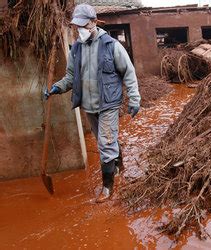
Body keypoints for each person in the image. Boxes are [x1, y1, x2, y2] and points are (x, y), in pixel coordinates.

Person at [45, 4, 141, 203]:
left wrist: (134, 98)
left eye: (84, 25)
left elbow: (129, 73)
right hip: (88, 105)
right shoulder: (77, 49)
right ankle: (119, 164)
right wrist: (57, 87)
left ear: (94, 23)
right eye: (77, 26)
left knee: (105, 143)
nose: (80, 30)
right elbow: (70, 77)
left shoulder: (111, 45)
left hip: (108, 103)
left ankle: (107, 187)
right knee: (105, 139)